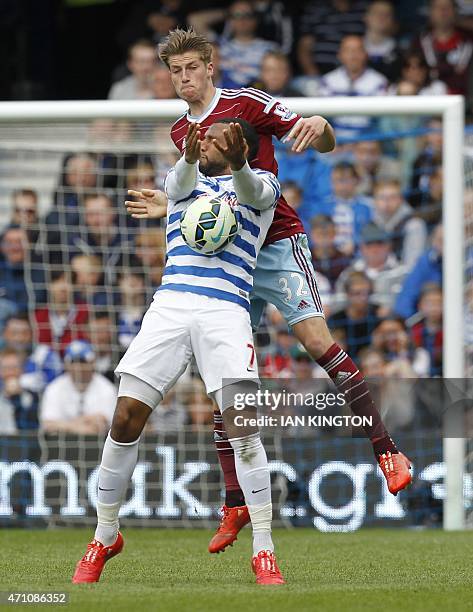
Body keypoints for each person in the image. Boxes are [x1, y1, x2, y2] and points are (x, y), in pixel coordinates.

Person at [127, 27, 412, 556]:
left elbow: (316, 137)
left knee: (315, 340)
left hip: (276, 241)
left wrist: (322, 127)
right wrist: (167, 204)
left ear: (210, 66)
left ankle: (387, 450)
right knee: (224, 373)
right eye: (175, 71)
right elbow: (201, 198)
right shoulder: (177, 133)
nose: (184, 78)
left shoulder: (247, 103)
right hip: (228, 256)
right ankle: (234, 503)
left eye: (192, 68)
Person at [73, 119, 286, 586]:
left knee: (244, 430)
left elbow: (252, 190)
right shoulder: (184, 181)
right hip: (171, 305)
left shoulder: (262, 183)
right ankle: (104, 535)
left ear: (240, 146)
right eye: (204, 138)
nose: (204, 142)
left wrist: (238, 163)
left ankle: (264, 550)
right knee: (126, 414)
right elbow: (178, 182)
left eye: (216, 139)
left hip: (227, 310)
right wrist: (190, 156)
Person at [319, 35, 388, 138]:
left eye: (358, 50)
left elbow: (378, 121)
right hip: (335, 142)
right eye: (348, 50)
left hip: (367, 141)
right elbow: (323, 117)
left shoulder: (379, 82)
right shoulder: (327, 81)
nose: (353, 55)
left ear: (366, 54)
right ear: (340, 55)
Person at [41, 340, 116, 434]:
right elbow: (48, 425)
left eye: (83, 362)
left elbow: (102, 424)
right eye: (73, 362)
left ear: (92, 363)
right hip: (60, 445)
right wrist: (81, 426)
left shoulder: (106, 388)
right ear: (66, 365)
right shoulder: (54, 387)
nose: (78, 367)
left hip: (98, 445)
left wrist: (64, 425)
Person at [412, 0, 473, 97]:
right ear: (430, 12)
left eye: (447, 7)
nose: (443, 11)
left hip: (466, 104)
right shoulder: (418, 43)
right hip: (429, 103)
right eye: (438, 7)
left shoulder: (469, 40)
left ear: (456, 11)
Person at [218, 1, 278, 89]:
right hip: (225, 97)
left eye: (247, 15)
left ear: (256, 19)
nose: (242, 20)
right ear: (230, 20)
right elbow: (196, 20)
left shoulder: (270, 49)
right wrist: (224, 13)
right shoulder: (218, 48)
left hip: (260, 97)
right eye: (237, 15)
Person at [372, 178, 427, 269]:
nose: (387, 202)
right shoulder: (371, 222)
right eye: (382, 197)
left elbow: (412, 266)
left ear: (401, 199)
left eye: (392, 197)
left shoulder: (414, 225)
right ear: (374, 200)